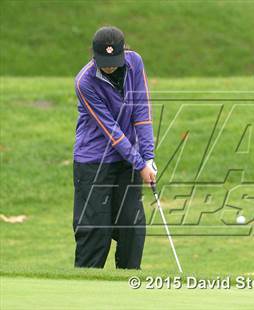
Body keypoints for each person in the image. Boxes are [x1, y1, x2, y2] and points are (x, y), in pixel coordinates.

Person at [72, 26, 157, 269]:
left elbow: (141, 113)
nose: (109, 67)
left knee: (132, 227)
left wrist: (149, 158)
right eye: (104, 62)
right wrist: (140, 164)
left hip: (126, 162)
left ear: (123, 52)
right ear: (93, 55)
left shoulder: (135, 62)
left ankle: (128, 293)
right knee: (96, 232)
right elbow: (111, 131)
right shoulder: (84, 82)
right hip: (93, 162)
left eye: (114, 61)